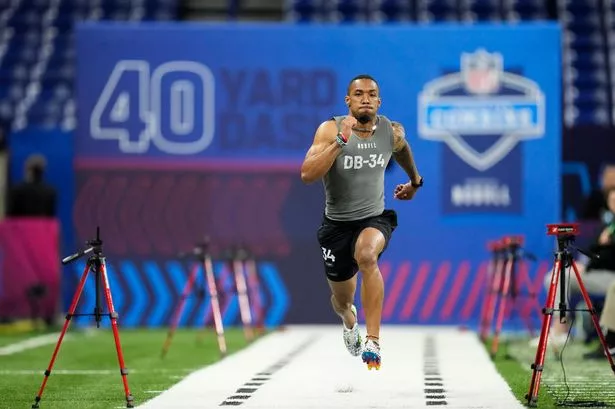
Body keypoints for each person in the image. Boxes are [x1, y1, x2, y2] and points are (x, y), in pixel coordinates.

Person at [300, 74, 423, 370]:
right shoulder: (330, 129)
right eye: (358, 94)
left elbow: (402, 148)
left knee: (368, 255)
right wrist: (341, 141)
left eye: (371, 94)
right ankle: (349, 321)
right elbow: (307, 174)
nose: (365, 98)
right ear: (348, 101)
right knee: (342, 301)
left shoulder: (389, 131)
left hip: (374, 217)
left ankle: (373, 340)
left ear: (379, 102)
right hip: (336, 227)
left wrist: (415, 182)